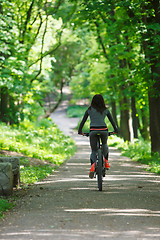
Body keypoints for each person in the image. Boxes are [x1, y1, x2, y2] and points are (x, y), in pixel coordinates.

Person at [78, 94, 118, 178]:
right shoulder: (105, 110)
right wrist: (115, 130)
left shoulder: (89, 109)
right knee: (104, 144)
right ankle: (106, 161)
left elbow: (83, 121)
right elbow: (112, 121)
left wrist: (80, 131)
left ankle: (93, 166)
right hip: (104, 130)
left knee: (93, 150)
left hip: (93, 131)